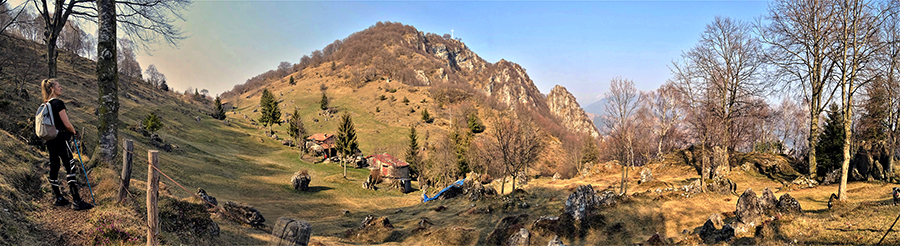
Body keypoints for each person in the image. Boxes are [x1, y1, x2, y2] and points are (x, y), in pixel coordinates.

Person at [41, 79, 93, 211]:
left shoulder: (45, 105)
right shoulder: (58, 103)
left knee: (54, 166)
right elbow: (67, 124)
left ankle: (58, 198)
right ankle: (77, 200)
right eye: (59, 86)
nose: (61, 88)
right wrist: (74, 131)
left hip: (50, 139)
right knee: (70, 166)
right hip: (62, 139)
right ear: (52, 88)